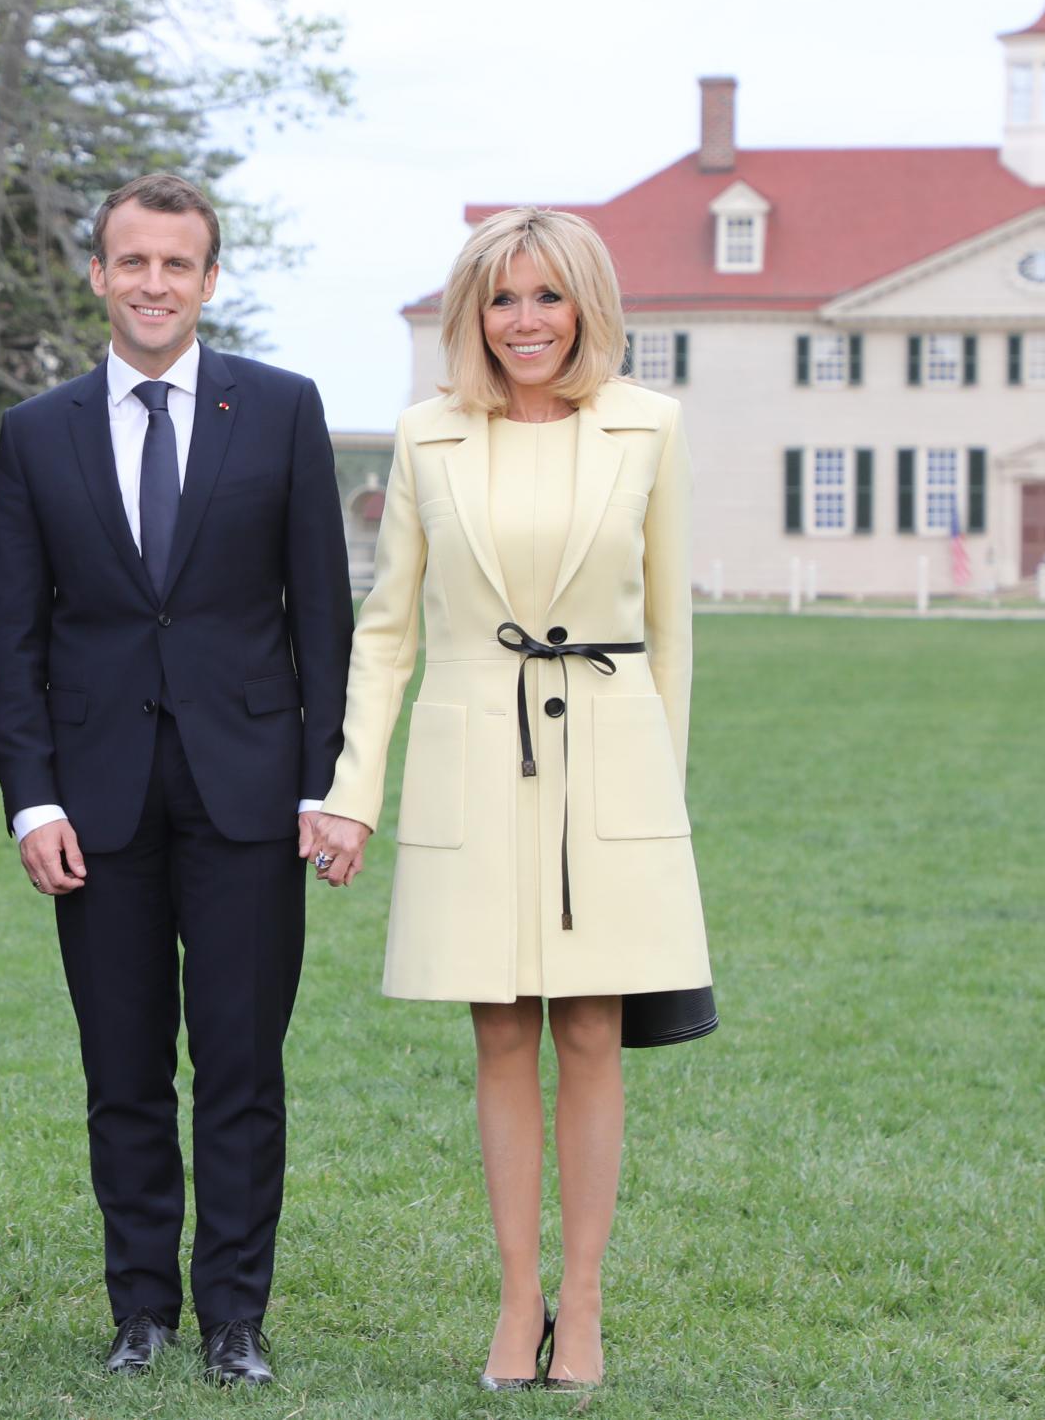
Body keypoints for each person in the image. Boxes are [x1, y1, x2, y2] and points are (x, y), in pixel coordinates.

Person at [303, 206, 716, 1393]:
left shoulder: (650, 426)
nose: (522, 320)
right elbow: (385, 637)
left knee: (591, 1029)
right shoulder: (429, 435)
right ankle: (516, 1295)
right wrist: (353, 792)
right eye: (500, 298)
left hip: (611, 753)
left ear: (585, 305)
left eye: (544, 296)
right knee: (497, 1027)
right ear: (469, 315)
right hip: (471, 751)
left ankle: (581, 1304)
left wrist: (659, 802)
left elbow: (670, 630)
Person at [0, 173, 352, 1386]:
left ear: (208, 278)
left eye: (175, 264)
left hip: (250, 794)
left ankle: (234, 1319)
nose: (152, 284)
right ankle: (140, 1309)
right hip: (95, 804)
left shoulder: (283, 409)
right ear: (97, 274)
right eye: (131, 262)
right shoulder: (36, 432)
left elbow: (322, 615)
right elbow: (13, 633)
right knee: (124, 1069)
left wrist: (321, 780)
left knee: (242, 1069)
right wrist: (31, 797)